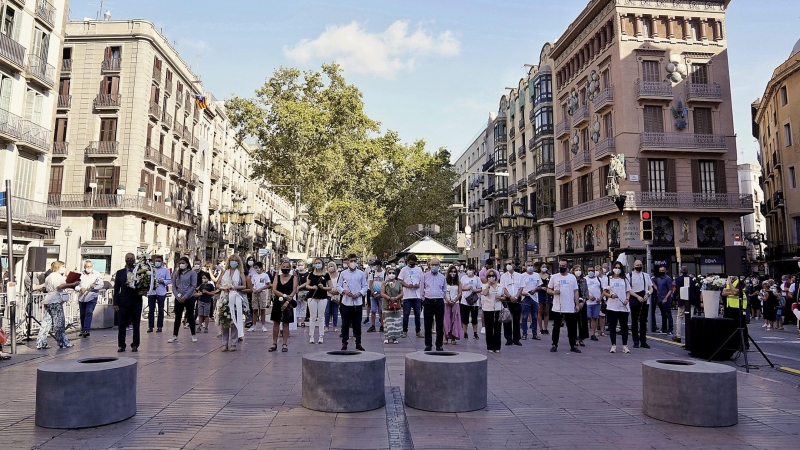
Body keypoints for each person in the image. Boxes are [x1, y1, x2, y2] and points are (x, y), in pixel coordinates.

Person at [38, 261, 79, 349]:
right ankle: (63, 342)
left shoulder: (49, 276)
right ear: (58, 267)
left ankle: (41, 342)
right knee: (59, 322)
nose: (64, 268)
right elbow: (59, 286)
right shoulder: (57, 276)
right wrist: (72, 284)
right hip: (55, 299)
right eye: (63, 266)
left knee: (46, 322)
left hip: (48, 299)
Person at [113, 253, 145, 352]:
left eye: (131, 258)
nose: (130, 260)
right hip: (123, 302)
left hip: (136, 302)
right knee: (122, 324)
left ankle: (135, 344)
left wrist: (144, 291)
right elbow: (116, 289)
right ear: (125, 259)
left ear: (134, 259)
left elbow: (144, 285)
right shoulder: (120, 273)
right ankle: (121, 345)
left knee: (136, 324)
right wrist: (115, 303)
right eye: (128, 258)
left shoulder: (140, 272)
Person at [547, 260, 581, 353]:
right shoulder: (554, 277)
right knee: (556, 326)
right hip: (558, 306)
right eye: (560, 265)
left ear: (567, 267)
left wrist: (577, 304)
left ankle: (573, 344)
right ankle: (554, 344)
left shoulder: (572, 277)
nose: (561, 267)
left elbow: (576, 291)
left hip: (569, 305)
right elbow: (548, 289)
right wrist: (553, 292)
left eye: (563, 265)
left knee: (572, 327)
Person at [218, 255, 249, 351]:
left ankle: (233, 343)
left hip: (235, 297)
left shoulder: (240, 273)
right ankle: (224, 343)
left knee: (234, 320)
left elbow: (244, 286)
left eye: (235, 261)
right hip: (224, 296)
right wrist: (223, 288)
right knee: (224, 320)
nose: (233, 262)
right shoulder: (224, 272)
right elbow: (217, 284)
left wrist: (234, 287)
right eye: (232, 260)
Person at [337, 254, 367, 351]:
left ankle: (358, 342)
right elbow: (338, 286)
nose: (353, 263)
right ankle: (344, 342)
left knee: (357, 323)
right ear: (348, 262)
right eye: (351, 261)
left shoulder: (361, 273)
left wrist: (360, 293)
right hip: (346, 302)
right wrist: (344, 291)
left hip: (357, 302)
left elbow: (365, 286)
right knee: (345, 323)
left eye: (355, 261)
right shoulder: (343, 273)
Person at [602, 261, 632, 353]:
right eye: (616, 267)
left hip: (623, 306)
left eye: (619, 268)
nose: (617, 269)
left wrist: (627, 299)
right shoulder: (608, 279)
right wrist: (610, 296)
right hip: (612, 306)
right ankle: (613, 345)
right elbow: (604, 291)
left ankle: (625, 345)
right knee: (612, 326)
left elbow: (628, 291)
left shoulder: (625, 279)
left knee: (624, 326)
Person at [168, 257, 199, 343]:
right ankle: (175, 335)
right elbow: (173, 285)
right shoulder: (176, 273)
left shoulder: (192, 273)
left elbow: (193, 286)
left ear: (187, 263)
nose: (181, 264)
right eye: (180, 263)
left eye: (183, 263)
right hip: (178, 298)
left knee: (190, 316)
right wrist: (178, 297)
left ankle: (193, 335)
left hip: (189, 297)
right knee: (178, 316)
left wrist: (185, 296)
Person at [270, 258, 298, 352]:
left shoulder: (293, 277)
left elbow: (294, 290)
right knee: (276, 323)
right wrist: (284, 296)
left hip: (288, 302)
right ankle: (274, 343)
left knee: (286, 323)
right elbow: (274, 289)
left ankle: (284, 344)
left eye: (287, 267)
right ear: (281, 267)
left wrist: (287, 301)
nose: (285, 268)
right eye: (283, 267)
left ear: (290, 268)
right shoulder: (277, 277)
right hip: (278, 301)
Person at [420, 257, 447, 352]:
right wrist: (424, 299)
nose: (434, 266)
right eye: (433, 265)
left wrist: (441, 297)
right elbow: (421, 289)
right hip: (428, 301)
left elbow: (444, 290)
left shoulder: (442, 277)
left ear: (439, 266)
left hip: (439, 301)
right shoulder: (425, 276)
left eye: (436, 265)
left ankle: (439, 345)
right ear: (429, 266)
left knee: (439, 324)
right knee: (427, 324)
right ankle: (428, 344)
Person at [304, 258, 332, 344]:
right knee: (312, 317)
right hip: (312, 297)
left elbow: (330, 287)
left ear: (322, 264)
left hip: (323, 297)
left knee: (321, 317)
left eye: (319, 263)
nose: (317, 264)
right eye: (316, 263)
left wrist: (323, 287)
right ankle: (311, 336)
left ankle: (321, 336)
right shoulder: (311, 274)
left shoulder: (326, 274)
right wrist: (312, 287)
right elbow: (307, 285)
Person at [627, 259, 652, 349]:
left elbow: (651, 288)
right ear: (633, 265)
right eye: (637, 265)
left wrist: (648, 294)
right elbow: (628, 289)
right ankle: (635, 341)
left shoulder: (646, 275)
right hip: (634, 299)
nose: (639, 266)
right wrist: (637, 296)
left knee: (643, 321)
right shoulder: (629, 276)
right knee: (634, 321)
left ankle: (643, 341)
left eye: (640, 264)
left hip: (645, 299)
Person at [399, 253, 423, 338]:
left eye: (413, 262)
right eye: (410, 262)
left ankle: (418, 331)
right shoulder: (404, 270)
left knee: (417, 314)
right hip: (407, 295)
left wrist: (418, 285)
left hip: (416, 295)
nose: (411, 263)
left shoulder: (419, 269)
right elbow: (400, 280)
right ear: (407, 261)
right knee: (406, 314)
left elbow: (422, 280)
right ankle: (404, 331)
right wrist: (406, 285)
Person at [500, 258, 523, 346]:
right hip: (507, 300)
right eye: (507, 264)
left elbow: (521, 287)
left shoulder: (519, 276)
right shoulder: (503, 276)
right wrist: (510, 297)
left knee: (516, 319)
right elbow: (503, 287)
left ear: (514, 264)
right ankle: (508, 338)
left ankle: (516, 339)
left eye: (510, 263)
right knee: (507, 319)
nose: (509, 265)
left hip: (517, 299)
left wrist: (516, 296)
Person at [77, 260, 103, 337]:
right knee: (82, 314)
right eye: (87, 266)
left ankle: (86, 330)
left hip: (92, 296)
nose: (89, 268)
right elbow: (74, 285)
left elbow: (101, 285)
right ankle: (83, 329)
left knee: (89, 312)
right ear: (84, 267)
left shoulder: (96, 274)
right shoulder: (80, 274)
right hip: (82, 297)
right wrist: (80, 288)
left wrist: (94, 286)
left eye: (90, 266)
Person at [147, 255, 171, 333]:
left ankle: (159, 326)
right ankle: (150, 326)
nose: (157, 262)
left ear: (162, 262)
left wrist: (163, 281)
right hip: (152, 292)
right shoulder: (150, 269)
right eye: (156, 261)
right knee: (151, 310)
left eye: (159, 261)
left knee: (161, 310)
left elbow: (169, 280)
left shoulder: (165, 270)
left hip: (161, 292)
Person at [481, 269, 503, 353]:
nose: (491, 278)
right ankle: (490, 345)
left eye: (493, 276)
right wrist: (489, 285)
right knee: (489, 328)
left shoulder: (500, 286)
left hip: (498, 308)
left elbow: (504, 296)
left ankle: (497, 346)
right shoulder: (484, 285)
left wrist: (500, 297)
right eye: (489, 276)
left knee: (497, 328)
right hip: (488, 308)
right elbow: (485, 293)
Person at [674, 266, 697, 343]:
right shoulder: (692, 279)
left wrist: (673, 296)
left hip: (682, 300)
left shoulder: (678, 279)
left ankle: (678, 336)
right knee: (690, 317)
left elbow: (677, 289)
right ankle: (691, 335)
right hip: (691, 300)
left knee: (679, 317)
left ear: (681, 271)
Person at [520, 260, 542, 341]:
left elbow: (540, 286)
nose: (530, 267)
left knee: (535, 316)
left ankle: (535, 334)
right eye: (528, 265)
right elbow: (519, 289)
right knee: (525, 316)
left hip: (535, 298)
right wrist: (523, 293)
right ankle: (524, 334)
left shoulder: (536, 275)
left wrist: (535, 289)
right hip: (526, 298)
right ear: (525, 267)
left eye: (531, 265)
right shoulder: (522, 276)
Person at [381, 267, 403, 344]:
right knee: (387, 321)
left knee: (396, 321)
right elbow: (382, 293)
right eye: (389, 273)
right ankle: (387, 337)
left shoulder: (398, 283)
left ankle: (395, 337)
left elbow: (401, 293)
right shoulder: (384, 283)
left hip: (396, 305)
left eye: (393, 273)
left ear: (396, 274)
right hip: (387, 304)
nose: (391, 274)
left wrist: (396, 298)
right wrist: (389, 298)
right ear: (387, 274)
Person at [460, 264, 482, 339]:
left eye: (472, 269)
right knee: (465, 318)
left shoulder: (477, 278)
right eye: (469, 269)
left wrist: (475, 290)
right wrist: (466, 288)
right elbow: (460, 288)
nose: (470, 271)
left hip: (474, 301)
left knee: (474, 318)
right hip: (465, 300)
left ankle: (475, 332)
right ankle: (465, 332)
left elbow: (480, 288)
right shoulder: (463, 278)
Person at [651, 265, 675, 335]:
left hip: (666, 299)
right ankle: (664, 328)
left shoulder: (668, 279)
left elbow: (670, 290)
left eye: (662, 271)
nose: (661, 272)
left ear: (665, 271)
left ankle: (670, 329)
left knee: (668, 314)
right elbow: (658, 288)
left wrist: (666, 298)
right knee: (663, 314)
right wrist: (653, 283)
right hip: (660, 299)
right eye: (660, 271)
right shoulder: (659, 279)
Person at [248, 262, 272, 332]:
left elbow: (268, 285)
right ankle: (254, 325)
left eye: (257, 268)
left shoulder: (265, 275)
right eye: (255, 268)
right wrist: (253, 289)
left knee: (262, 310)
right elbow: (252, 285)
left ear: (261, 268)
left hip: (262, 293)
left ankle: (263, 325)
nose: (256, 269)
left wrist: (261, 288)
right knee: (255, 309)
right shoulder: (254, 276)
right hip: (255, 293)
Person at [444, 265, 463, 345]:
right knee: (446, 320)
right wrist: (447, 300)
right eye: (451, 271)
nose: (453, 273)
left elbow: (460, 293)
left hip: (456, 303)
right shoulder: (445, 281)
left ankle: (453, 337)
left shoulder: (458, 282)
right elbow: (442, 292)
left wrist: (455, 300)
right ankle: (445, 337)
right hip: (446, 303)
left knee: (455, 320)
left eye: (454, 272)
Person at [367, 261, 386, 333]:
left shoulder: (384, 273)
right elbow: (370, 283)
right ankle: (373, 326)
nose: (374, 266)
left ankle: (382, 325)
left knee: (381, 311)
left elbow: (385, 284)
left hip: (381, 294)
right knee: (373, 310)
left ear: (379, 265)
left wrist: (381, 294)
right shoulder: (373, 273)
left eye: (375, 265)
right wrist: (373, 292)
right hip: (373, 294)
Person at [585, 265, 602, 341]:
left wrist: (600, 298)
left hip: (597, 302)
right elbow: (582, 290)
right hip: (588, 303)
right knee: (587, 317)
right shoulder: (585, 279)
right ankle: (584, 333)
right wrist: (588, 296)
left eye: (592, 270)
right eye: (589, 271)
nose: (590, 272)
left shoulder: (598, 279)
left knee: (595, 318)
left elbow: (603, 290)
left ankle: (593, 333)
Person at [573, 265, 589, 346]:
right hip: (573, 302)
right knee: (574, 321)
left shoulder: (584, 280)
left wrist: (583, 302)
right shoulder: (571, 280)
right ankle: (574, 338)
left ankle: (581, 338)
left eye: (579, 270)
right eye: (576, 270)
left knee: (582, 322)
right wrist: (576, 303)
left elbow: (586, 292)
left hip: (582, 302)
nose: (578, 271)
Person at [325, 261, 340, 332]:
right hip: (328, 295)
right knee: (327, 311)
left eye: (332, 266)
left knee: (335, 311)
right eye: (329, 266)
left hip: (336, 296)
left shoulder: (339, 275)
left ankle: (335, 326)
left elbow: (341, 284)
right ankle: (326, 326)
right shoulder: (326, 275)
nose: (331, 267)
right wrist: (329, 291)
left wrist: (337, 291)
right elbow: (325, 285)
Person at [538, 263, 552, 336]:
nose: (544, 268)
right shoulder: (537, 276)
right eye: (543, 266)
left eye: (545, 267)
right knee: (540, 311)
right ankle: (541, 329)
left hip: (547, 294)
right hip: (540, 294)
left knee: (546, 312)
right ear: (540, 267)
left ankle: (546, 328)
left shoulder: (550, 276)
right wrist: (540, 288)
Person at [295, 260, 310, 327]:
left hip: (304, 292)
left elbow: (307, 282)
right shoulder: (295, 273)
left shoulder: (307, 274)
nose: (300, 266)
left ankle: (302, 322)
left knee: (303, 307)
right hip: (296, 292)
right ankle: (297, 321)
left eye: (301, 265)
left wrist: (300, 287)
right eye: (299, 265)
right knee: (297, 307)